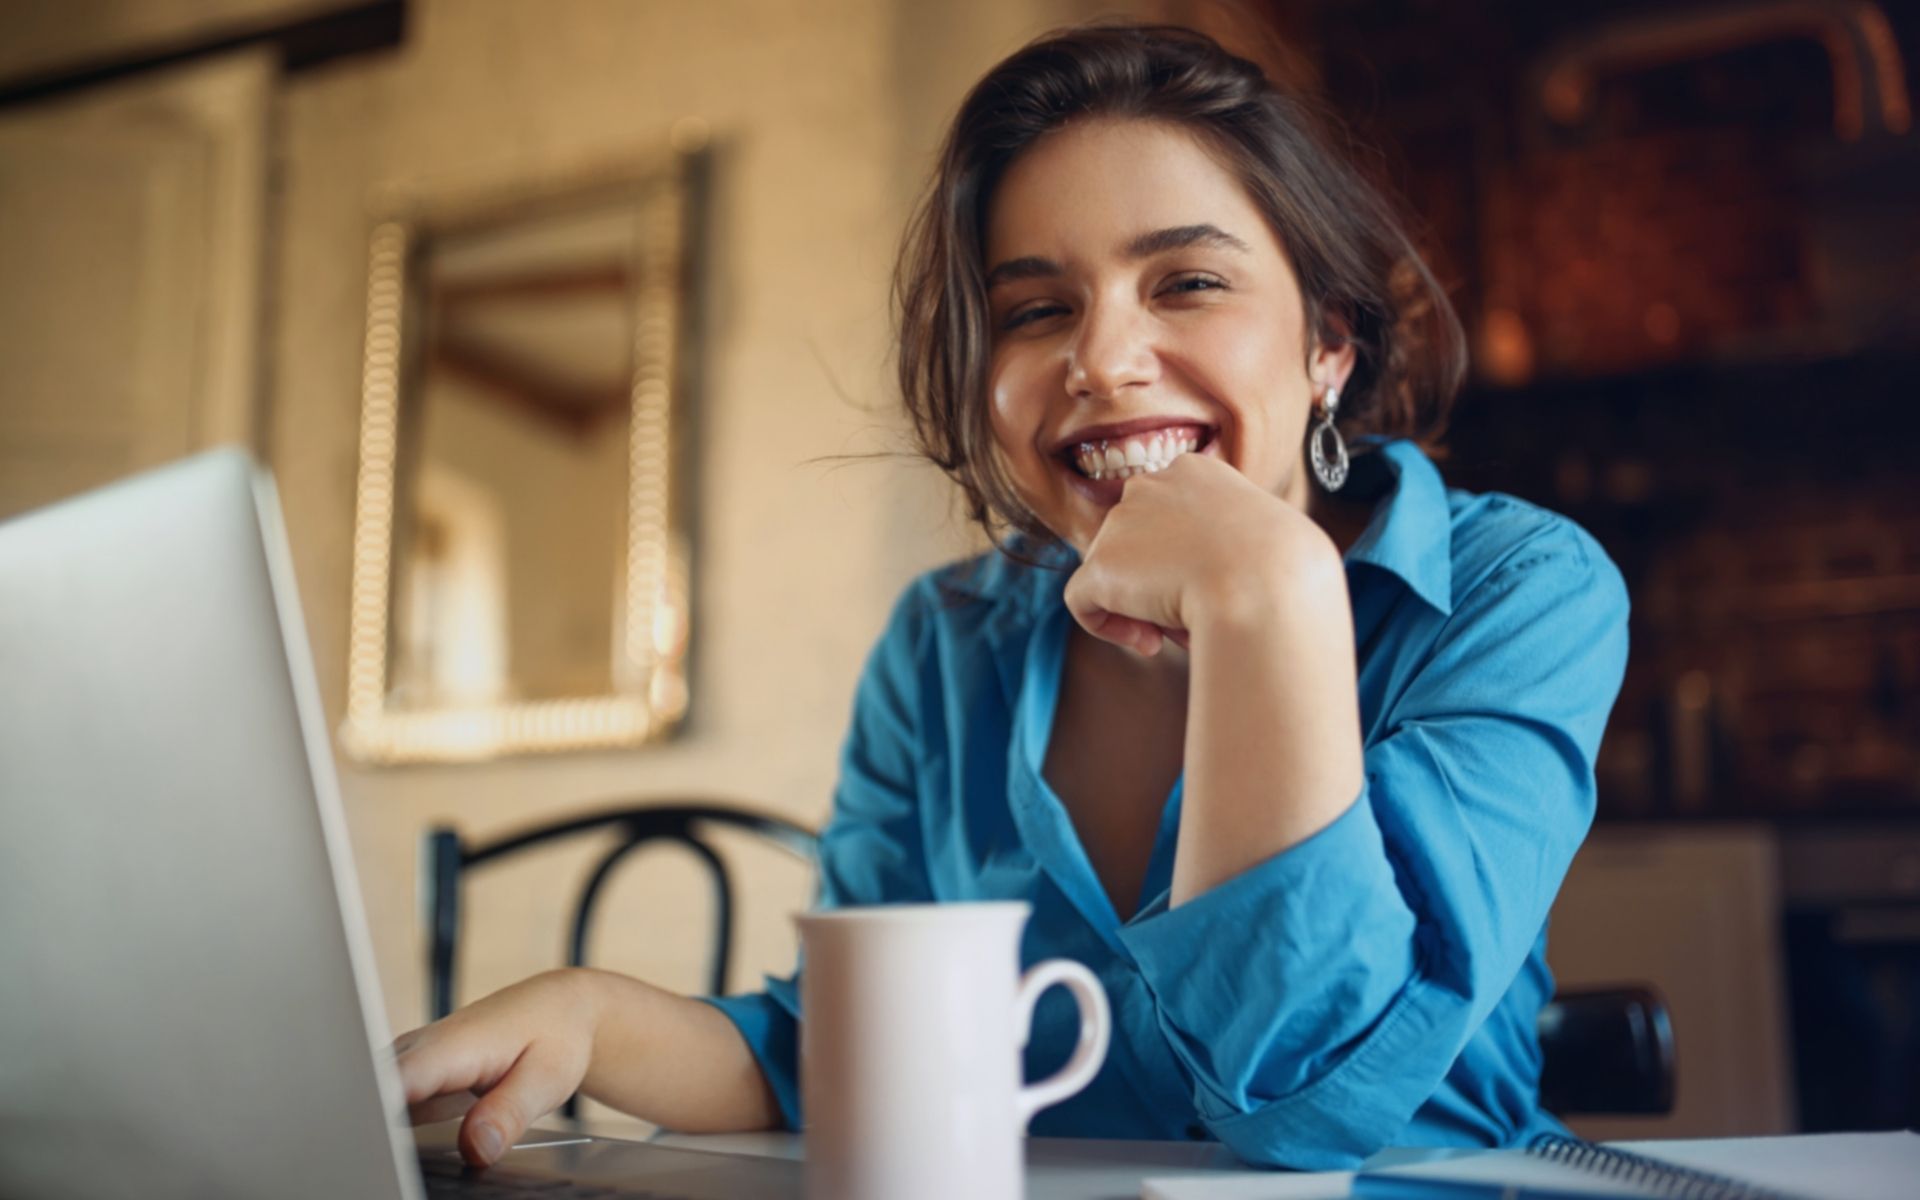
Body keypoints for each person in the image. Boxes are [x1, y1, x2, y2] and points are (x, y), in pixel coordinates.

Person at [394, 23, 1629, 1172]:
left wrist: (1271, 597)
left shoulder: (1518, 592)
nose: (1101, 360)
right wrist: (594, 1016)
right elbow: (856, 1053)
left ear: (1329, 344)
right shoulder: (942, 645)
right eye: (1037, 310)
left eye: (1187, 283)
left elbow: (1310, 1107)